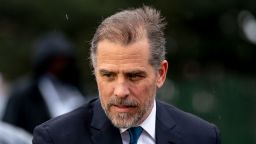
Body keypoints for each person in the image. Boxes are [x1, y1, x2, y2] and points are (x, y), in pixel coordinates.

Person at [32, 6, 221, 144]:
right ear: (95, 72)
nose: (121, 91)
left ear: (160, 74)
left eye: (134, 76)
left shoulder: (201, 137)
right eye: (109, 75)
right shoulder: (55, 139)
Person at [3, 32, 87, 133]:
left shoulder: (74, 88)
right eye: (55, 62)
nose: (59, 66)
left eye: (63, 61)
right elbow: (9, 129)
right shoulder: (25, 93)